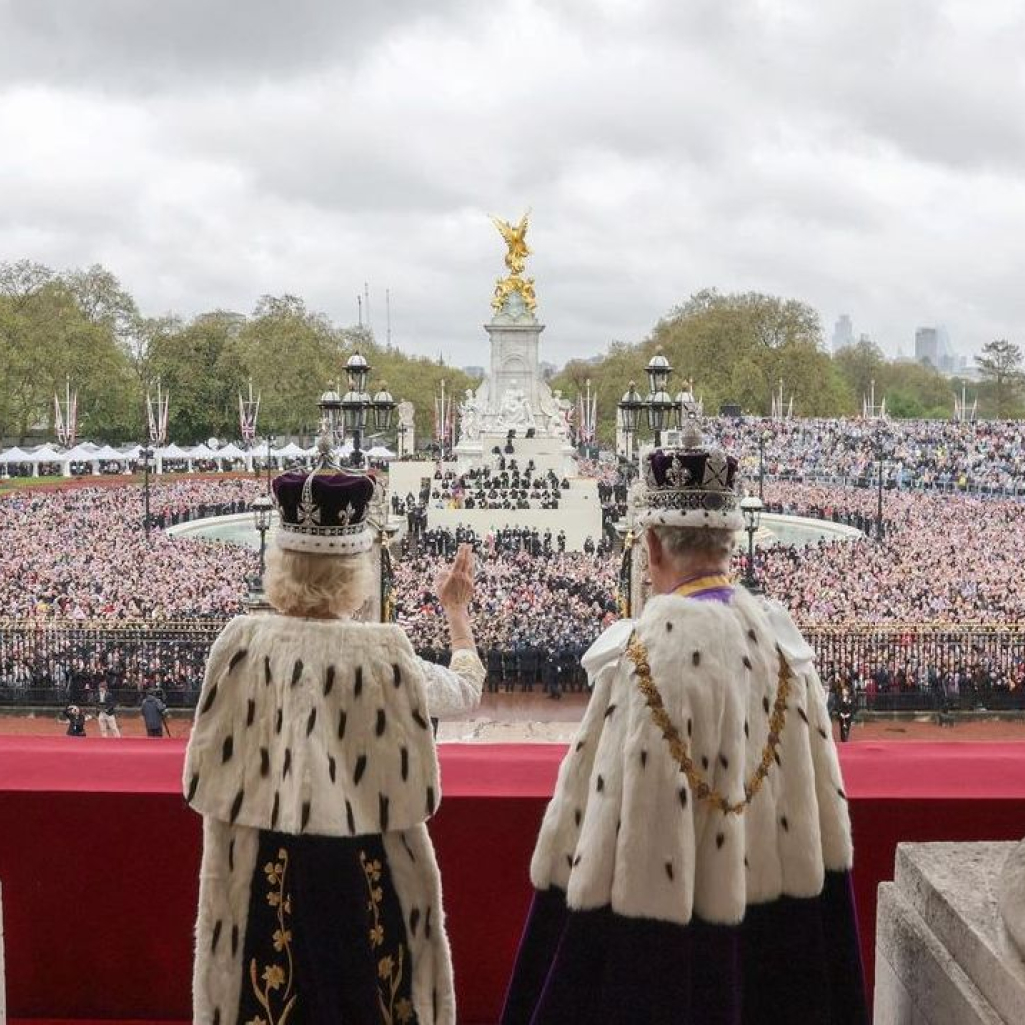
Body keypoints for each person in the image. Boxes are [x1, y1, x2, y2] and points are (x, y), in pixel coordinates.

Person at [501, 428, 867, 1025]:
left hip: (667, 944)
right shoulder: (783, 647)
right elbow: (823, 824)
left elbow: (612, 835)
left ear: (652, 547)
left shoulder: (643, 658)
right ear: (729, 541)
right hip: (778, 936)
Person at [184, 443, 484, 1025]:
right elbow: (465, 692)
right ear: (357, 571)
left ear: (281, 564)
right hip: (364, 870)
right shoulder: (385, 653)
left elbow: (203, 775)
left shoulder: (239, 645)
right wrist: (457, 615)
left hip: (261, 872)